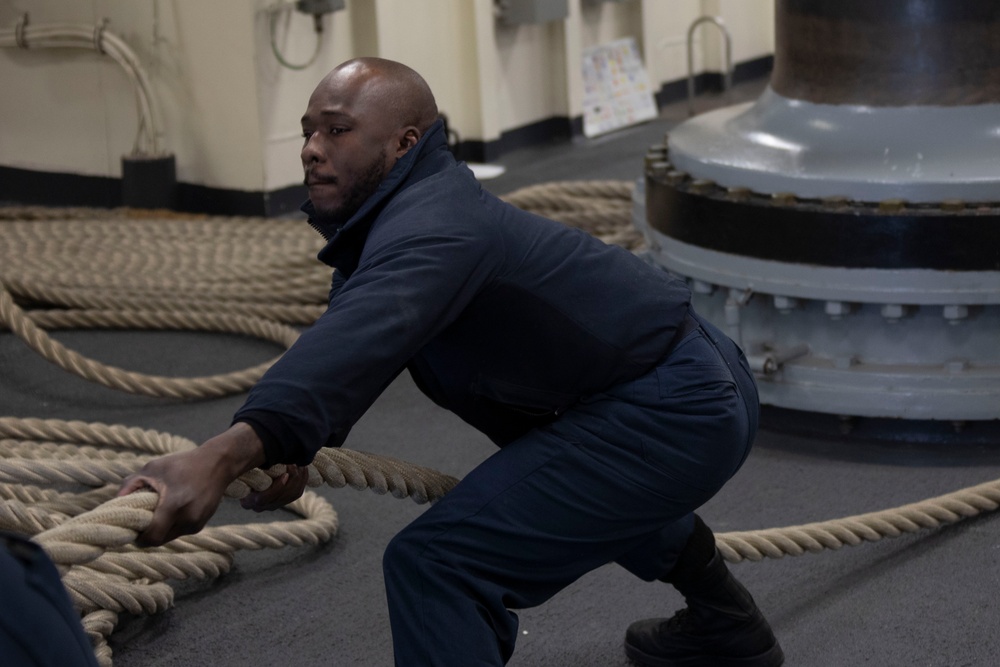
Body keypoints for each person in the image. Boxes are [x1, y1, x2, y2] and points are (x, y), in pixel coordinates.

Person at [119, 57, 783, 667]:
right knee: (595, 489)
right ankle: (728, 626)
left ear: (404, 143)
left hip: (677, 407)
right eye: (307, 132)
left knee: (436, 564)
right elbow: (355, 337)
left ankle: (725, 623)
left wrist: (225, 452)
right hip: (677, 386)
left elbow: (367, 323)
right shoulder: (405, 216)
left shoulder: (434, 225)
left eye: (337, 130)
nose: (310, 149)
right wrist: (287, 441)